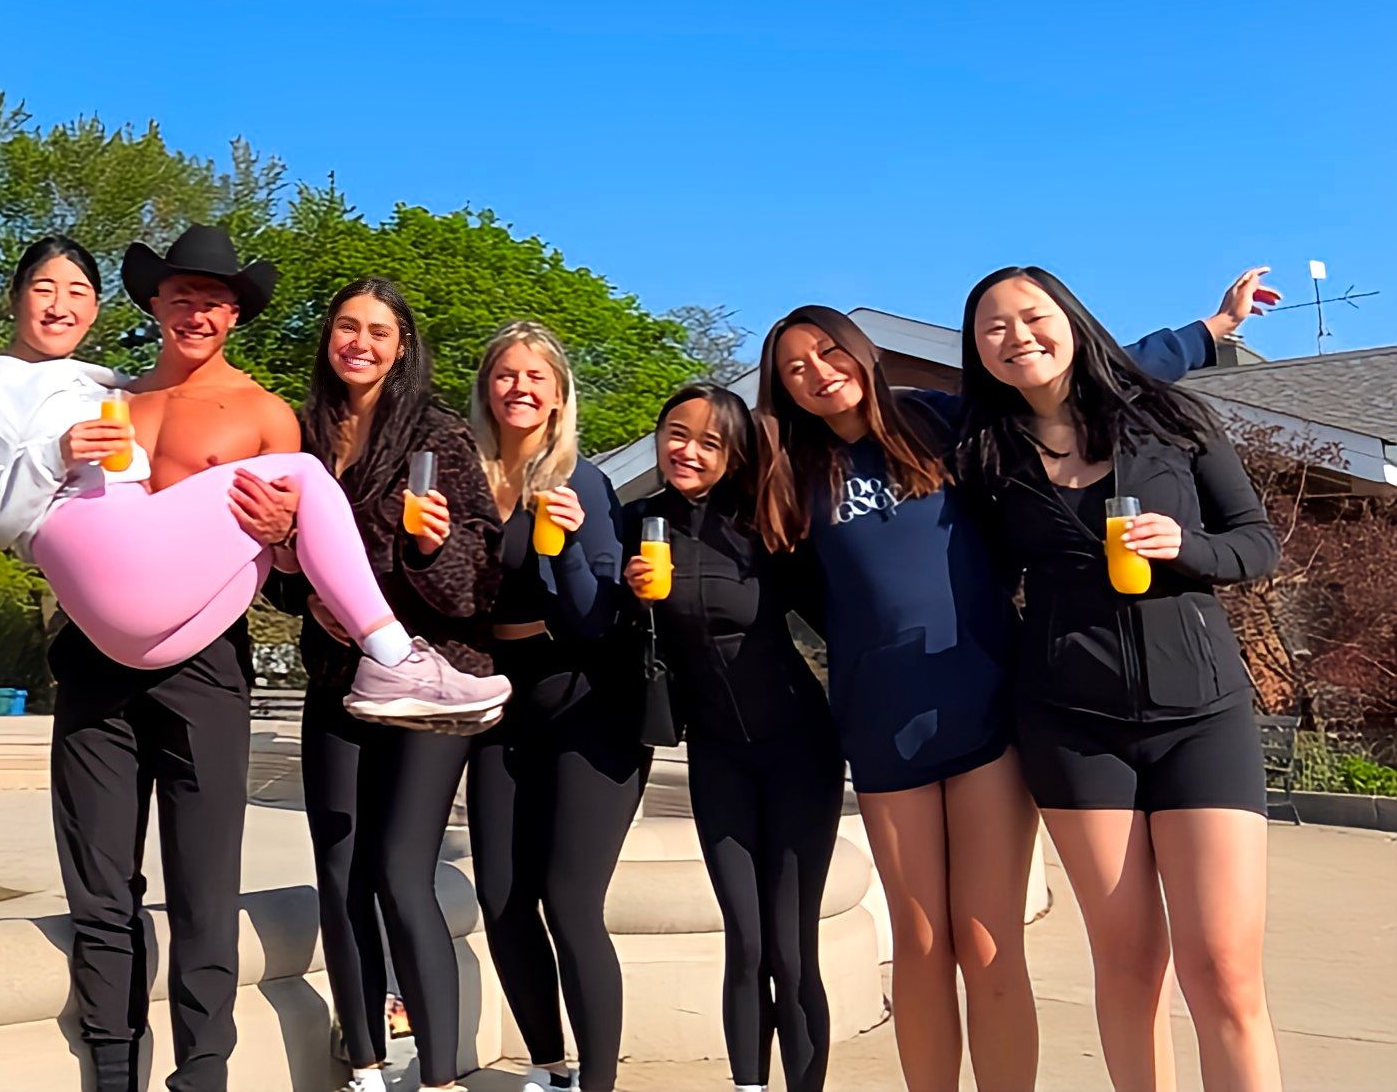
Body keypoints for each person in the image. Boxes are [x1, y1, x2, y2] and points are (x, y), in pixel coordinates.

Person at [0, 230, 505, 1092]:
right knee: (101, 880)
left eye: (213, 299)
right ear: (154, 306)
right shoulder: (106, 400)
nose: (196, 311)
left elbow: (283, 576)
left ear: (234, 313)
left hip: (205, 660)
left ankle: (202, 1070)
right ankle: (112, 1068)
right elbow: (28, 516)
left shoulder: (266, 414)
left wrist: (285, 546)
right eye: (180, 296)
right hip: (95, 659)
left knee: (207, 885)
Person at [753, 269, 1272, 1092]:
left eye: (828, 351)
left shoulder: (950, 428)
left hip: (992, 709)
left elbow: (1071, 379)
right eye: (793, 367)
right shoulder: (785, 474)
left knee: (990, 939)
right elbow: (791, 589)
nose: (818, 371)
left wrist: (1208, 331)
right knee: (924, 945)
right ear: (779, 388)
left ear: (863, 353)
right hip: (887, 723)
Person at [957, 267, 1283, 1092]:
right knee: (1131, 968)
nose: (1017, 336)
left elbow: (1256, 542)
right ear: (976, 351)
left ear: (1071, 321)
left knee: (1224, 972)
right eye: (992, 327)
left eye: (1032, 316)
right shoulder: (984, 454)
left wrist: (1190, 548)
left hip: (1203, 716)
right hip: (1071, 725)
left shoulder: (1171, 418)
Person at [270, 277, 505, 1092]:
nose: (358, 343)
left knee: (402, 874)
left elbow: (480, 587)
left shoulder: (436, 437)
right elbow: (278, 575)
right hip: (337, 679)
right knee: (338, 871)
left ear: (402, 345)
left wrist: (431, 547)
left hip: (432, 686)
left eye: (378, 330)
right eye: (345, 326)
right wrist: (303, 590)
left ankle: (438, 1077)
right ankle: (367, 1066)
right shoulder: (300, 437)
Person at [622, 385, 843, 1092]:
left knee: (790, 945)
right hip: (716, 755)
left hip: (800, 750)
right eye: (676, 434)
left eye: (710, 442)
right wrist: (626, 599)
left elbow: (846, 613)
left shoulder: (765, 527)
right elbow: (593, 625)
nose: (688, 451)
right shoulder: (637, 525)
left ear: (734, 456)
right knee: (745, 943)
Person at [464, 322, 636, 1092]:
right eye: (505, 375)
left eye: (537, 376)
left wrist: (564, 547)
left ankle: (597, 1083)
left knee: (568, 900)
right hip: (494, 696)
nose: (520, 388)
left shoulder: (580, 483)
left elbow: (596, 620)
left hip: (583, 697)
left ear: (560, 394)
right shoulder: (461, 479)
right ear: (486, 389)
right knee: (501, 896)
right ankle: (550, 1068)